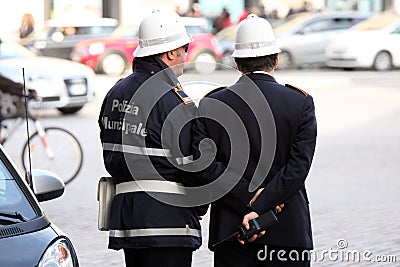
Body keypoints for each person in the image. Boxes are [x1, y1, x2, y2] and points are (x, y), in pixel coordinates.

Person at [192, 14, 317, 267]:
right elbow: (296, 170)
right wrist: (262, 203)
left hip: (232, 229)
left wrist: (247, 199)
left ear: (237, 63)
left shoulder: (212, 103)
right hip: (287, 232)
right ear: (277, 59)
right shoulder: (299, 102)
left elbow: (205, 165)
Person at [98, 10, 205, 267]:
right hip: (169, 222)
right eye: (184, 49)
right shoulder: (175, 101)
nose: (185, 57)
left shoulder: (115, 93)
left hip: (128, 218)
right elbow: (193, 166)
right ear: (170, 53)